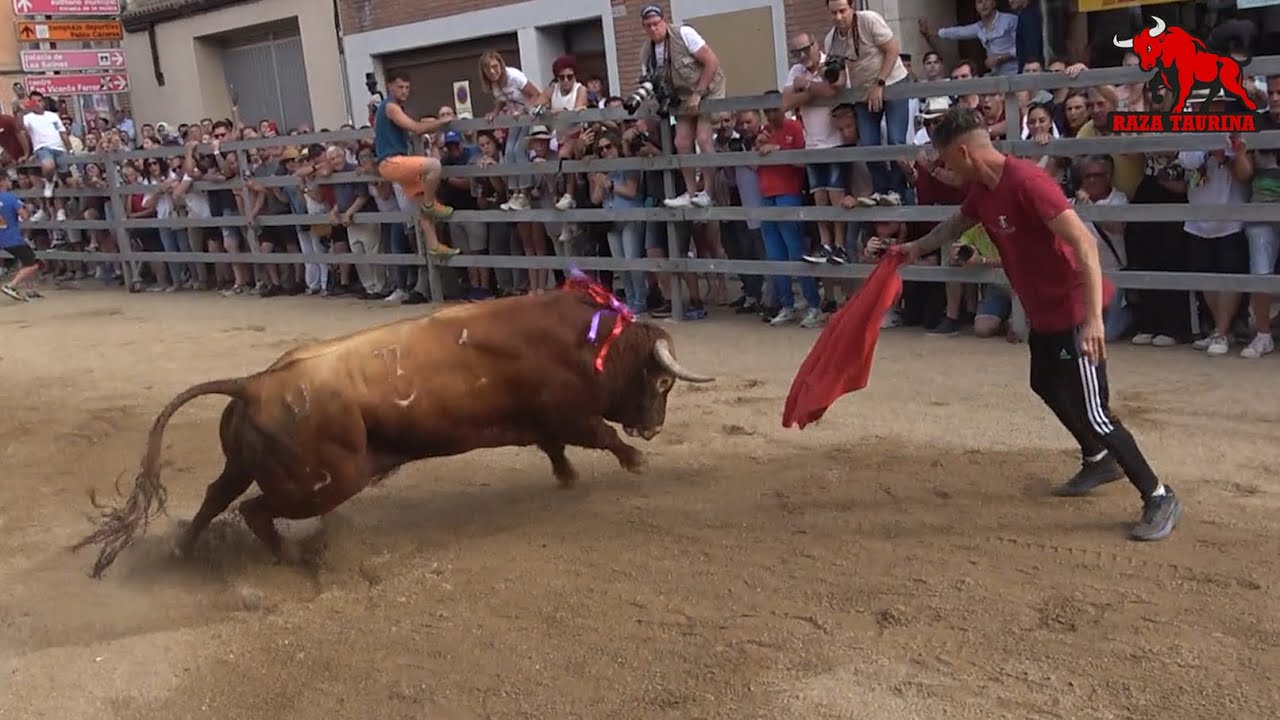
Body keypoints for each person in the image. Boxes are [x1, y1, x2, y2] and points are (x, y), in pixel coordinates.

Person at [896, 106, 1181, 542]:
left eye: (945, 159)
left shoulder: (1027, 182)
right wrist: (915, 248)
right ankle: (1098, 459)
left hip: (1071, 312)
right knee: (1045, 383)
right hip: (1044, 311)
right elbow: (958, 222)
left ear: (965, 152)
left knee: (1097, 412)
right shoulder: (985, 189)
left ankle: (1158, 494)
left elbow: (1085, 245)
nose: (943, 169)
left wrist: (1091, 322)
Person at [636, 4, 724, 209]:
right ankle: (690, 192)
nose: (653, 29)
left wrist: (699, 93)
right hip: (682, 96)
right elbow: (649, 82)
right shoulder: (646, 52)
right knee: (682, 142)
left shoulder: (683, 33)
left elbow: (712, 62)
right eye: (648, 25)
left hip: (708, 87)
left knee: (703, 138)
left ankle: (708, 192)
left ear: (664, 21)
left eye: (656, 23)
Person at [372, 71, 460, 256]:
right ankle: (430, 204)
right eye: (400, 87)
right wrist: (441, 122)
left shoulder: (391, 108)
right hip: (392, 161)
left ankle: (434, 245)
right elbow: (416, 128)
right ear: (389, 86)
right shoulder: (391, 107)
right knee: (434, 166)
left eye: (407, 88)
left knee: (420, 202)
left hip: (396, 162)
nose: (404, 91)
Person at [0, 174, 36, 301]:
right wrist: (29, 209)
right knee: (32, 264)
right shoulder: (11, 198)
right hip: (13, 237)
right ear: (3, 182)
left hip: (2, 236)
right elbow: (24, 215)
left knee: (25, 261)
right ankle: (11, 286)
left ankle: (30, 290)